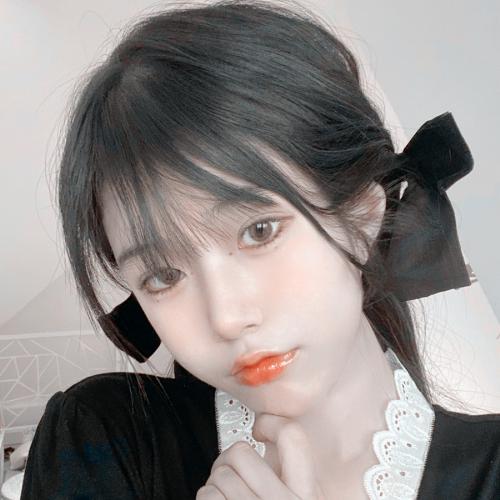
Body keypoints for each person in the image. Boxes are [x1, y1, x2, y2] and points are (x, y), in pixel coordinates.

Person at [20, 1, 500, 499]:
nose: (226, 318)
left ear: (360, 216)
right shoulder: (104, 438)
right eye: (163, 275)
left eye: (259, 231)